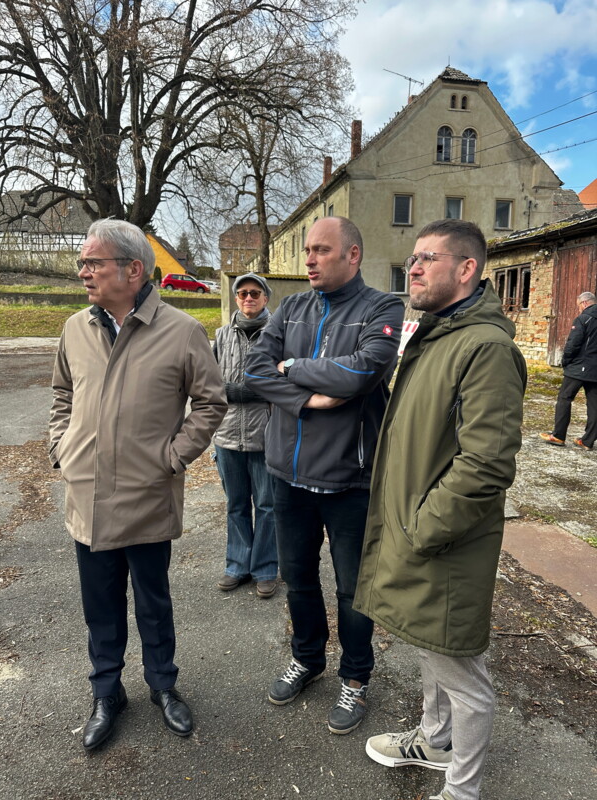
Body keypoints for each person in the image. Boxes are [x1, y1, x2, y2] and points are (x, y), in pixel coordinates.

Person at [355, 219, 526, 800]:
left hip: (444, 541)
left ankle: (462, 790)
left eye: (427, 257)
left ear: (467, 268)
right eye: (413, 258)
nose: (414, 268)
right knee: (429, 643)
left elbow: (486, 464)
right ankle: (434, 741)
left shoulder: (486, 348)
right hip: (416, 532)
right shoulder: (437, 335)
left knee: (462, 673)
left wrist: (422, 528)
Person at [49, 219, 227, 750]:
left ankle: (163, 686)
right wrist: (61, 447)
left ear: (133, 269)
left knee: (153, 602)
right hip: (88, 497)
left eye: (93, 262)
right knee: (100, 606)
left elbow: (211, 402)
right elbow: (62, 394)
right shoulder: (75, 328)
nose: (84, 272)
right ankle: (106, 693)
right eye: (83, 262)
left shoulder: (181, 331)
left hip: (148, 494)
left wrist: (172, 458)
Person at [244, 216, 404, 734]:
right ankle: (307, 658)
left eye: (321, 250)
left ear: (352, 254)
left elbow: (361, 372)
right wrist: (310, 398)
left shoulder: (383, 307)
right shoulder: (291, 307)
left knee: (354, 590)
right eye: (307, 250)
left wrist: (291, 368)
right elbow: (255, 369)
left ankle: (355, 678)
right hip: (287, 475)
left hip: (349, 480)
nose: (309, 259)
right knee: (298, 578)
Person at [213, 272, 278, 598]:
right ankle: (237, 565)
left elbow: (285, 381)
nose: (248, 298)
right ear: (236, 298)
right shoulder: (222, 335)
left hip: (265, 436)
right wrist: (235, 391)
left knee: (267, 506)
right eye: (242, 293)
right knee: (236, 504)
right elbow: (208, 382)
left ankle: (265, 568)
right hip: (227, 435)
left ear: (265, 298)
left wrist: (246, 391)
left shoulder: (279, 334)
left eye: (254, 293)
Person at [540, 291, 597, 451]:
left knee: (564, 398)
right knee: (594, 404)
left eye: (579, 305)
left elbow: (573, 344)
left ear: (584, 303)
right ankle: (587, 441)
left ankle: (558, 435)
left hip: (579, 367)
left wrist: (566, 361)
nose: (579, 309)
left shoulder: (583, 319)